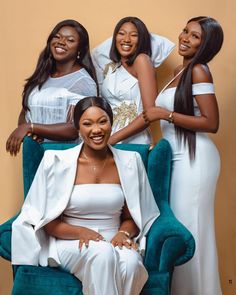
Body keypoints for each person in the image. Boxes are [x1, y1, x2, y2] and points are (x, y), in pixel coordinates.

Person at [12, 96, 160, 295]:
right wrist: (81, 232)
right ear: (78, 128)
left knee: (132, 263)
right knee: (102, 253)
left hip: (114, 238)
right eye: (87, 124)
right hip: (69, 242)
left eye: (102, 121)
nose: (96, 130)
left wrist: (123, 233)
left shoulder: (130, 161)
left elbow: (133, 216)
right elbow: (47, 222)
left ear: (111, 122)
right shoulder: (56, 161)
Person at [142, 16, 224, 295]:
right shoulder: (180, 69)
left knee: (191, 229)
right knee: (176, 228)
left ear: (207, 44)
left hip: (195, 159)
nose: (184, 38)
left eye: (195, 36)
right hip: (174, 156)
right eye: (185, 31)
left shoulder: (199, 70)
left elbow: (212, 123)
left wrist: (165, 114)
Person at [6, 19, 98, 156]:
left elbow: (75, 128)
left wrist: (31, 127)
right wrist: (30, 131)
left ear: (79, 49)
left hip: (65, 157)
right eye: (57, 36)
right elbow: (26, 111)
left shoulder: (82, 83)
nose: (61, 42)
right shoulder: (42, 75)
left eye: (70, 40)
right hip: (35, 154)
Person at [92, 16, 175, 144]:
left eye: (134, 35)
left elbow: (150, 113)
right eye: (121, 34)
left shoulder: (142, 60)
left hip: (134, 140)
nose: (126, 39)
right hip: (107, 136)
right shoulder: (112, 68)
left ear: (141, 40)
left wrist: (112, 140)